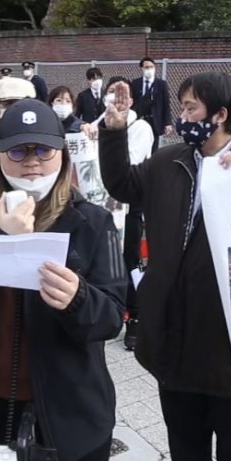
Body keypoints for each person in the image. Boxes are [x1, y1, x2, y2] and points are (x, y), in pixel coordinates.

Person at [0, 99, 127, 461]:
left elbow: (112, 316)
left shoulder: (95, 223)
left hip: (70, 411)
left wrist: (78, 298)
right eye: (17, 150)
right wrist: (1, 243)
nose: (31, 160)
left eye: (43, 149)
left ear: (62, 154)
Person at [99, 71, 231, 461]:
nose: (182, 117)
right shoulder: (167, 161)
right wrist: (114, 130)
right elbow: (122, 184)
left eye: (191, 108)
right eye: (183, 107)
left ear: (221, 114)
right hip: (173, 334)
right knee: (185, 446)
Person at [81, 76, 154, 351]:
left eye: (121, 93)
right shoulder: (93, 125)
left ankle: (135, 318)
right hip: (97, 205)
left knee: (130, 259)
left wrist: (106, 136)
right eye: (111, 92)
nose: (115, 97)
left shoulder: (141, 127)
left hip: (128, 205)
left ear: (132, 100)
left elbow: (130, 163)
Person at [130, 57, 172, 148]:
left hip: (154, 120)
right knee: (139, 145)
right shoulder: (135, 83)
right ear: (142, 68)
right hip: (140, 119)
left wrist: (168, 123)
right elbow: (132, 102)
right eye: (146, 67)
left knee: (153, 146)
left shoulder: (161, 84)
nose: (149, 69)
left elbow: (166, 104)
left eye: (151, 67)